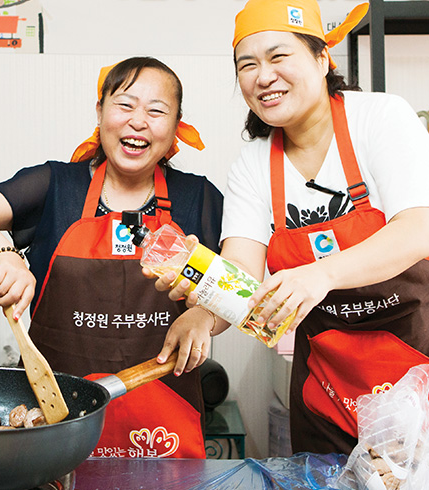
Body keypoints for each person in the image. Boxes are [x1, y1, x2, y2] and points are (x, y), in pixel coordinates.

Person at [154, 0, 429, 455]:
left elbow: (418, 227)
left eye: (279, 56)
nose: (263, 76)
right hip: (327, 393)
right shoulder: (252, 166)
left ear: (322, 59)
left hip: (417, 375)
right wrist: (204, 310)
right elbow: (241, 274)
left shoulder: (380, 118)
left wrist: (320, 274)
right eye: (248, 64)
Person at [0, 56, 223, 459]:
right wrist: (5, 254)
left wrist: (205, 316)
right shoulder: (55, 186)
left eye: (156, 110)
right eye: (125, 105)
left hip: (165, 433)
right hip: (57, 425)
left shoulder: (199, 198)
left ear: (176, 123)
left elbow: (241, 290)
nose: (137, 121)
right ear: (100, 111)